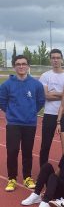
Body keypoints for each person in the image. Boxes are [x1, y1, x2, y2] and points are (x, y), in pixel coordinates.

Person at [0, 55, 45, 192]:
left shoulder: (36, 84)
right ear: (14, 66)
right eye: (18, 64)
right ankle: (12, 178)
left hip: (29, 123)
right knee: (12, 151)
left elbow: (40, 101)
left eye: (23, 64)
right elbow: (2, 102)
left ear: (28, 66)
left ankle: (27, 177)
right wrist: (10, 113)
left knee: (27, 151)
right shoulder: (6, 85)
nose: (21, 66)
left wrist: (31, 112)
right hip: (13, 123)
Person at [39, 49, 64, 166]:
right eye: (53, 58)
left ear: (61, 59)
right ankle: (43, 170)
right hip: (50, 114)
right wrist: (63, 95)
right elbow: (46, 96)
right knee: (45, 144)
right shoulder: (45, 76)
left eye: (58, 57)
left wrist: (54, 93)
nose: (55, 60)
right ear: (50, 60)